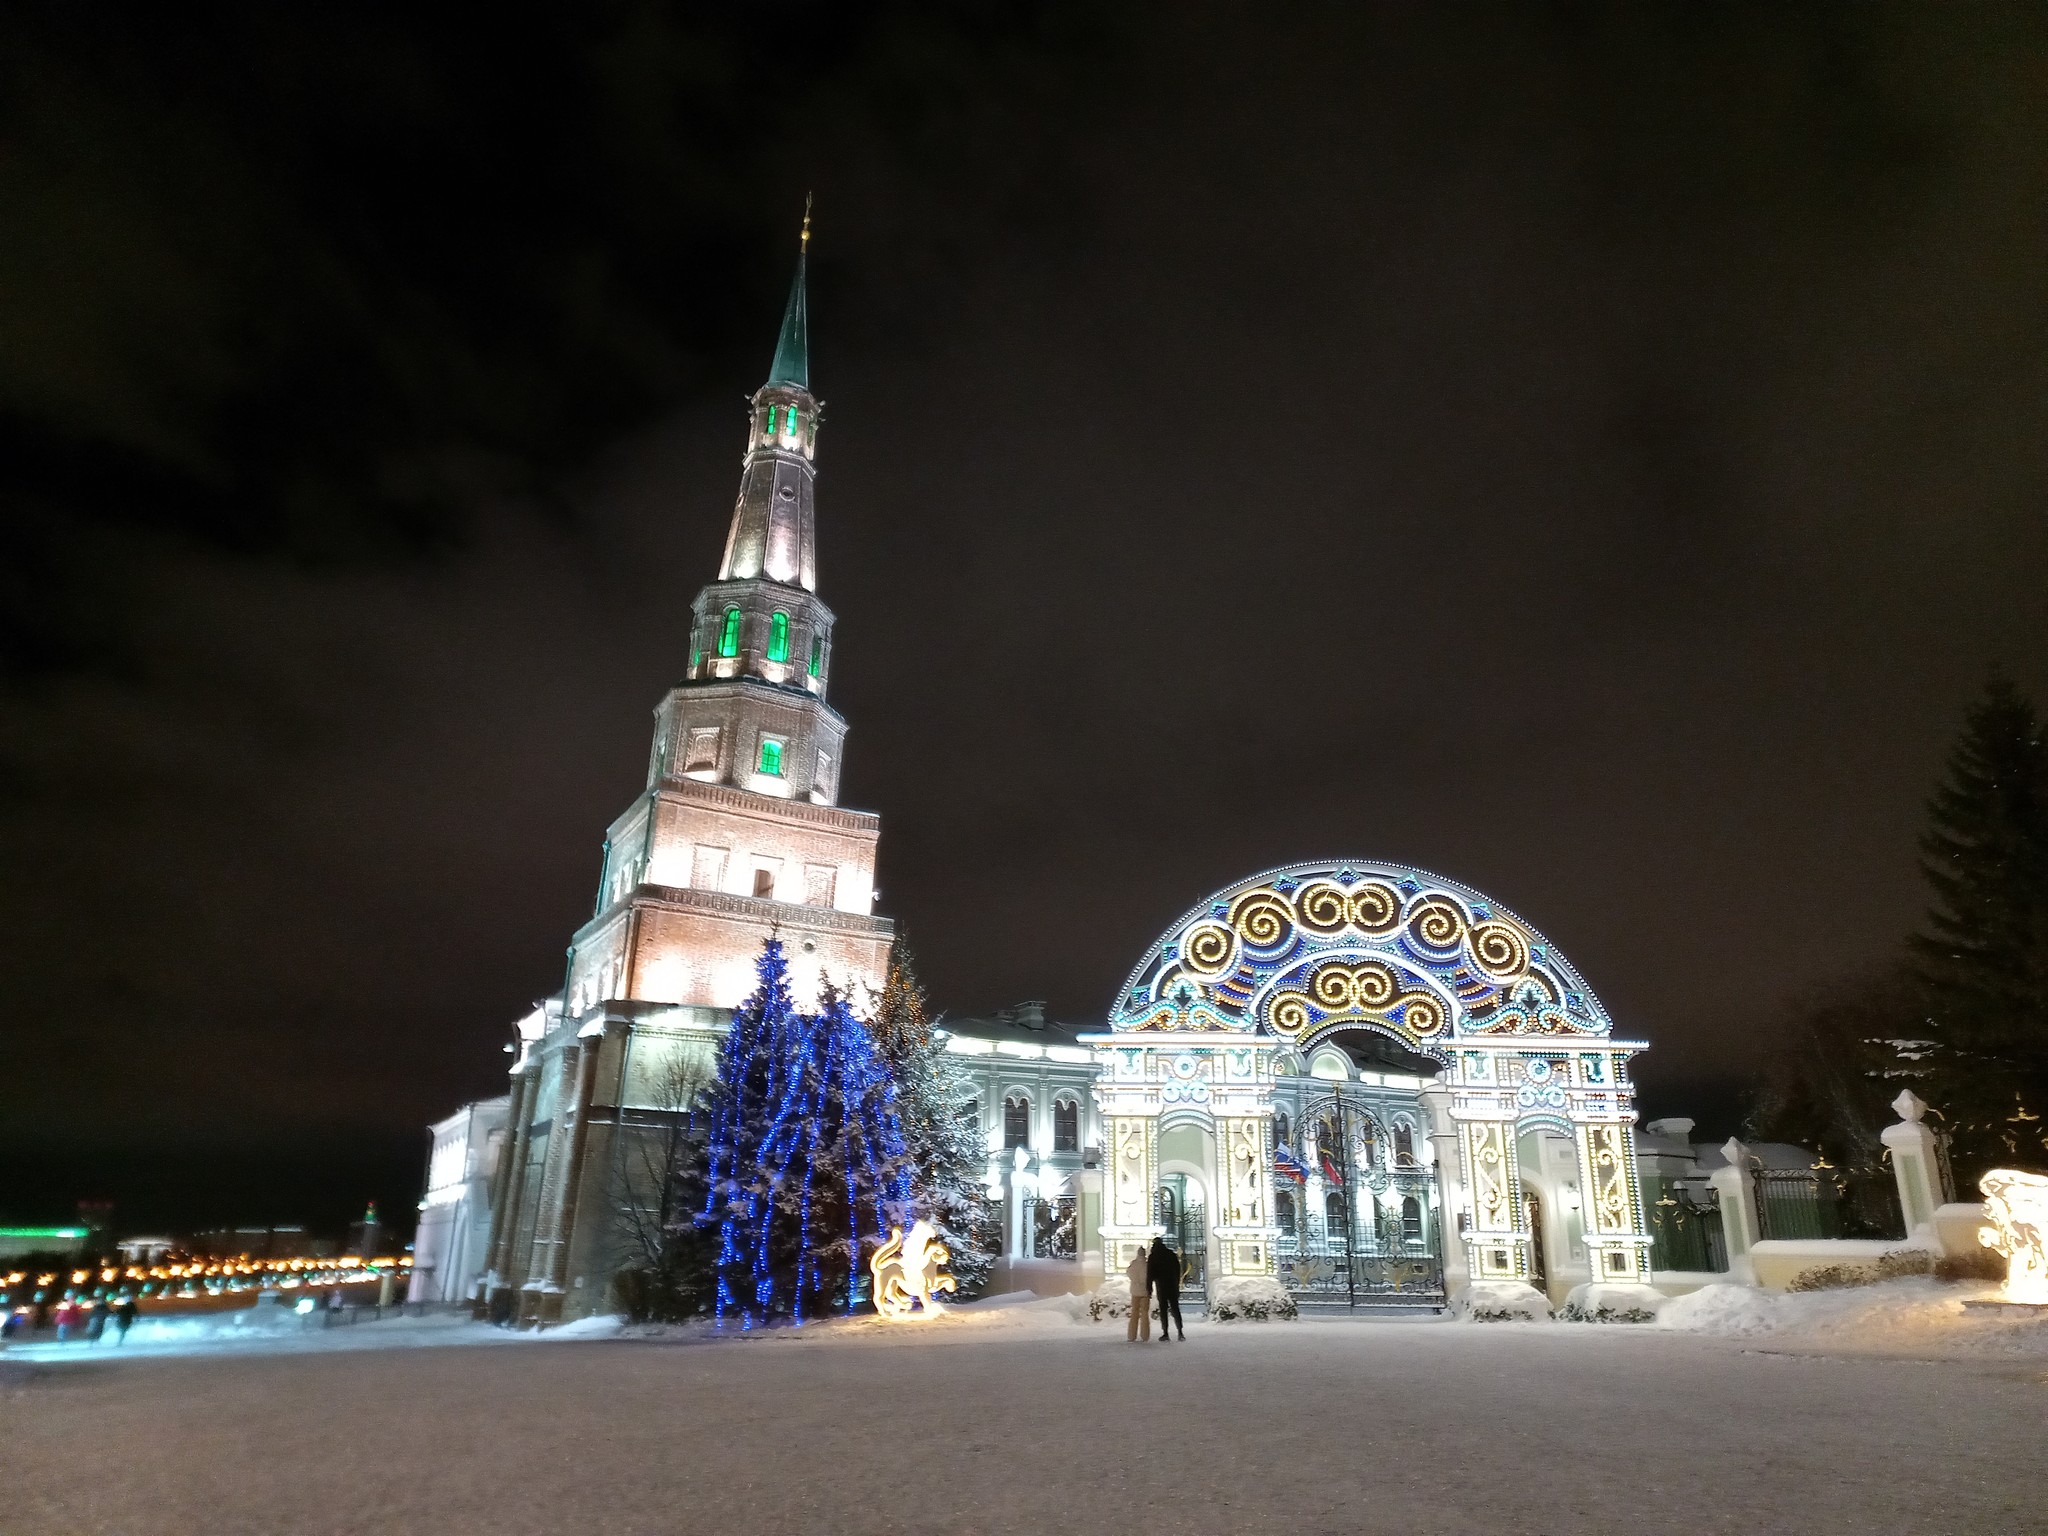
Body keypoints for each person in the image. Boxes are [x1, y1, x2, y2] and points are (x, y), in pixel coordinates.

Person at [1148, 1236, 1185, 1343]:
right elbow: (1178, 1270)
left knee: (1163, 1310)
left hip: (1161, 1287)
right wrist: (1177, 1283)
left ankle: (1165, 1333)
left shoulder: (1153, 1256)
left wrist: (1149, 1288)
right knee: (1175, 1308)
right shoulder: (1171, 1254)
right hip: (1172, 1286)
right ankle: (1180, 1332)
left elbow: (1150, 1274)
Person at [1123, 1243, 1151, 1342]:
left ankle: (1131, 1335)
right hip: (1145, 1292)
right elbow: (1148, 1278)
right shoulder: (1147, 1265)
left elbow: (1129, 1273)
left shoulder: (1133, 1264)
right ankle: (1145, 1335)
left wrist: (1135, 1282)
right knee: (1144, 1314)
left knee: (1134, 1314)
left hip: (1135, 1292)